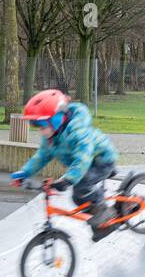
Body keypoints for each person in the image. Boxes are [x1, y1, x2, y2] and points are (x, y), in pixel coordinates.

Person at [10, 89, 120, 241]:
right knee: (77, 198)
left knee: (82, 186)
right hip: (84, 165)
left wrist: (68, 179)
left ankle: (105, 212)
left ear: (55, 120)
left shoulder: (78, 132)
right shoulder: (51, 138)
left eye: (42, 127)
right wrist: (24, 173)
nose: (41, 132)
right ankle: (100, 217)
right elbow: (41, 157)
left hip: (101, 159)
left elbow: (83, 158)